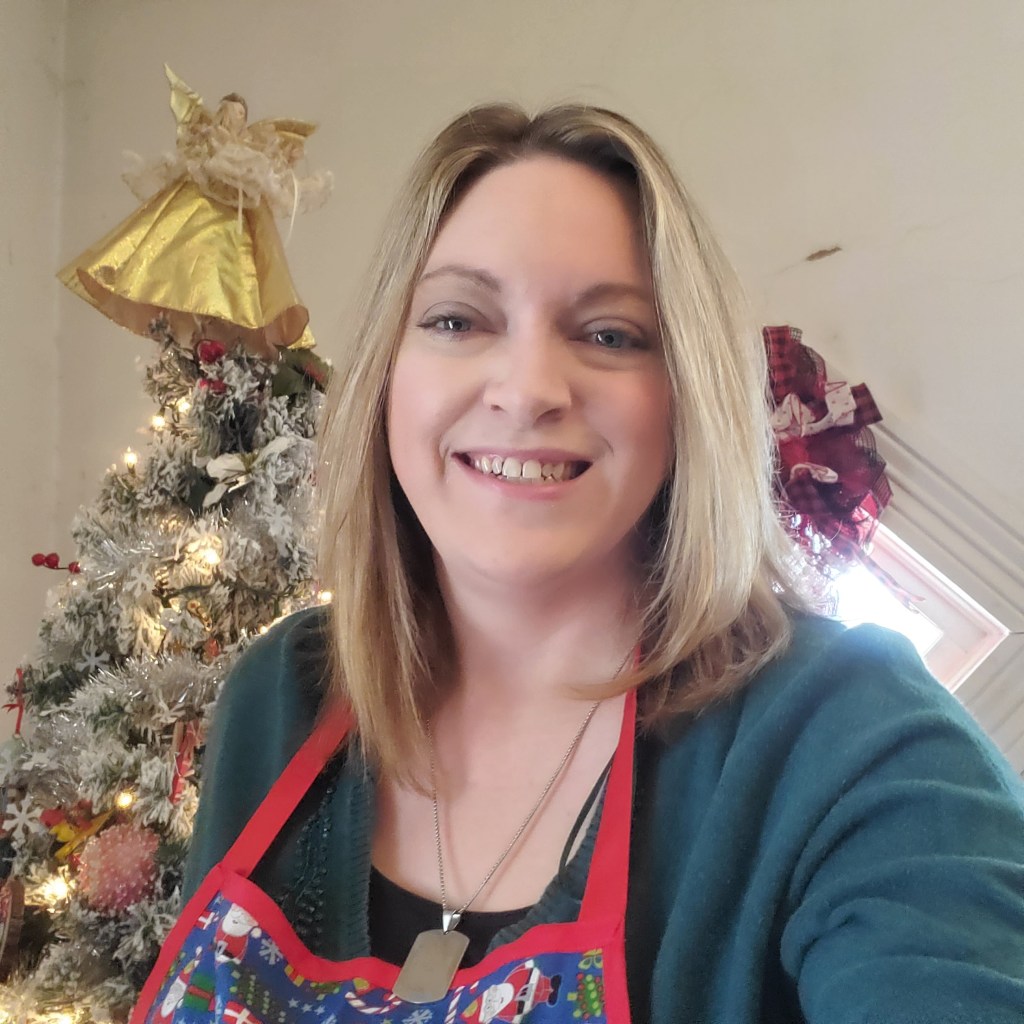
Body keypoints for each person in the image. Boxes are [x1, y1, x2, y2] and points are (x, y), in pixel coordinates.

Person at [132, 104, 1024, 1023]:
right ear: (386, 378)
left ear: (686, 397)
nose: (527, 392)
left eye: (610, 335)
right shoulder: (283, 693)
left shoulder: (850, 737)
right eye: (456, 319)